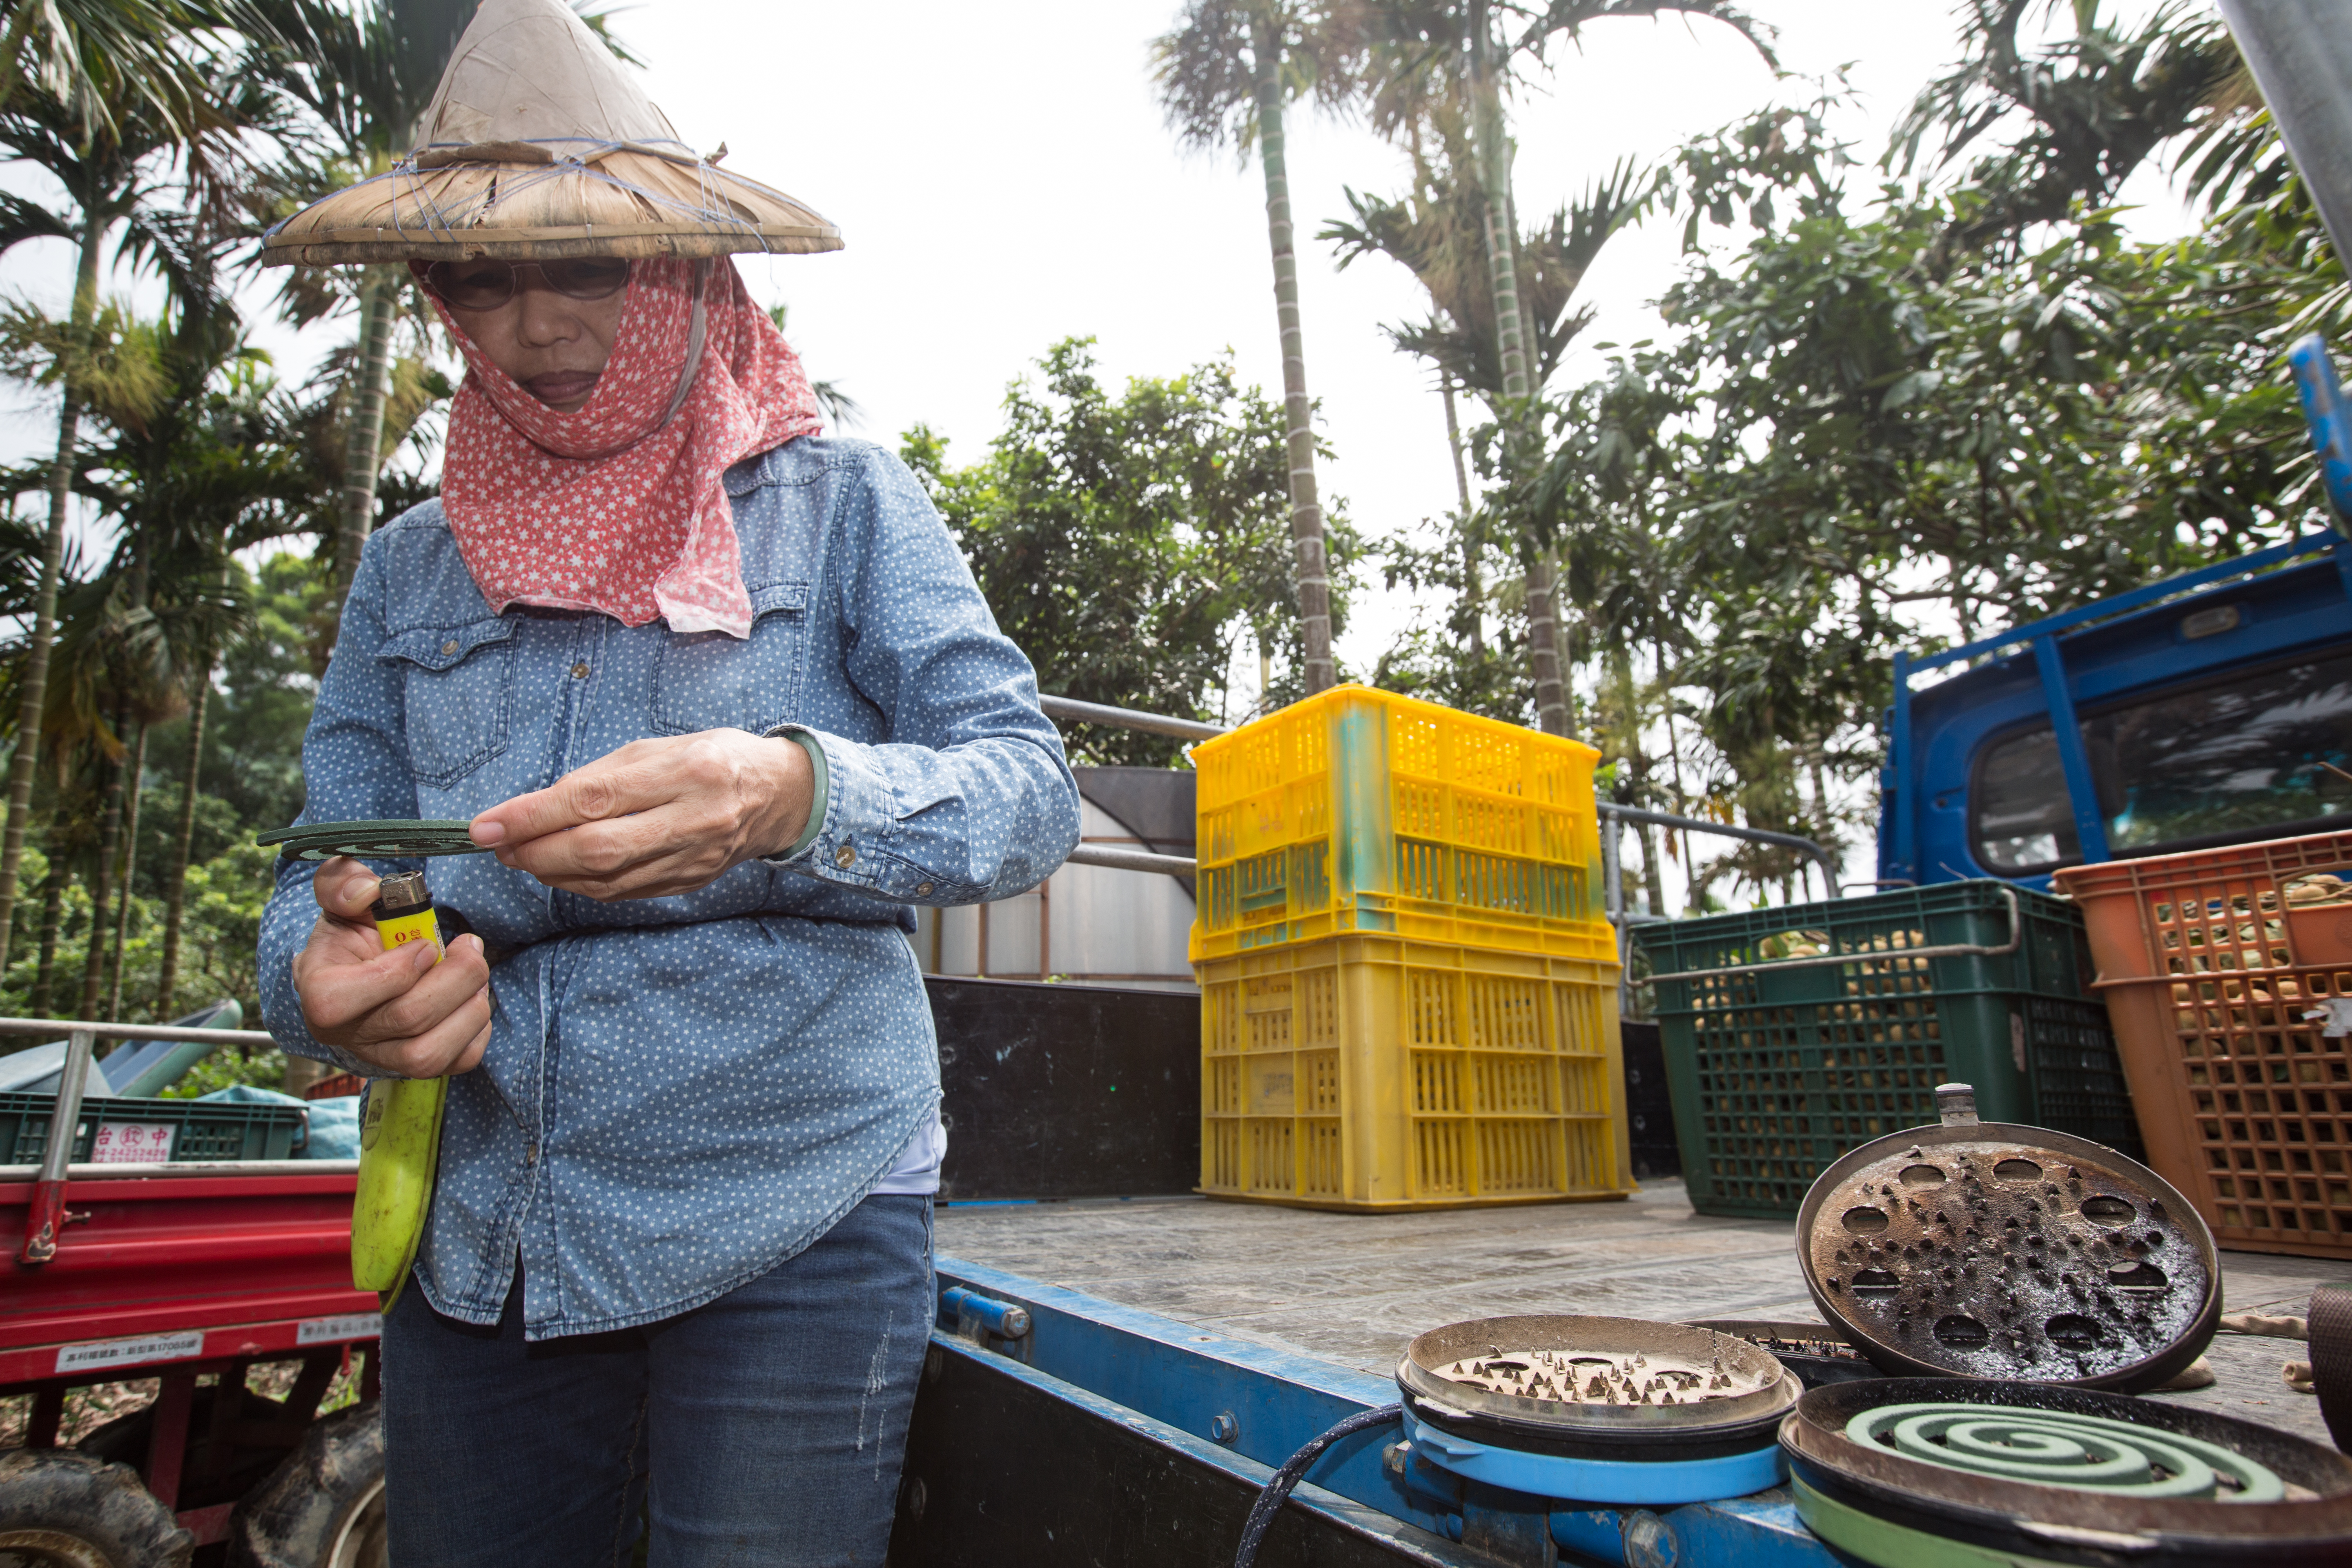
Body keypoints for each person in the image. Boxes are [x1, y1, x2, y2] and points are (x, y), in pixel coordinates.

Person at [254, 3, 1078, 1562]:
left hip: (795, 1193)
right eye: (485, 280)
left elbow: (1026, 792)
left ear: (691, 277)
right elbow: (318, 875)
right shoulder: (405, 570)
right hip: (484, 1228)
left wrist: (795, 792)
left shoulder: (845, 506)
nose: (536, 327)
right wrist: (325, 981)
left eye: (587, 270)